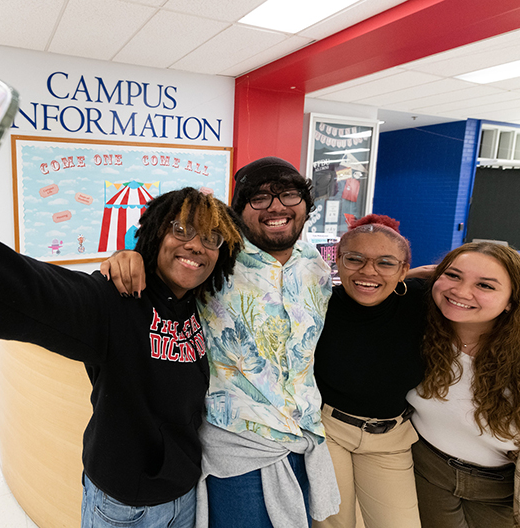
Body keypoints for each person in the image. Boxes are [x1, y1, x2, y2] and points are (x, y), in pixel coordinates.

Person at [0, 128, 245, 528]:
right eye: (180, 230)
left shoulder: (206, 308)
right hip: (123, 508)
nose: (196, 246)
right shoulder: (116, 300)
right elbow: (33, 292)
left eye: (212, 238)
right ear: (154, 236)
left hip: (185, 496)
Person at [102, 156, 341, 527]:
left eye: (289, 194)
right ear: (238, 211)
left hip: (306, 439)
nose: (276, 206)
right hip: (239, 446)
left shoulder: (317, 266)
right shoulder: (217, 259)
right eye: (259, 198)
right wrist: (127, 255)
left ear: (306, 205)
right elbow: (165, 261)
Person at [406, 242, 520, 528]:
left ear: (511, 300)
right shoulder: (415, 327)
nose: (460, 291)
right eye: (454, 275)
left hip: (501, 489)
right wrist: (403, 277)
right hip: (427, 471)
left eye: (485, 285)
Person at [312, 214, 425, 528]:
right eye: (355, 259)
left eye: (385, 263)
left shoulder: (421, 301)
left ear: (404, 269)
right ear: (337, 261)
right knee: (332, 522)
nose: (368, 271)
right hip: (329, 431)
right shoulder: (319, 306)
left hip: (391, 438)